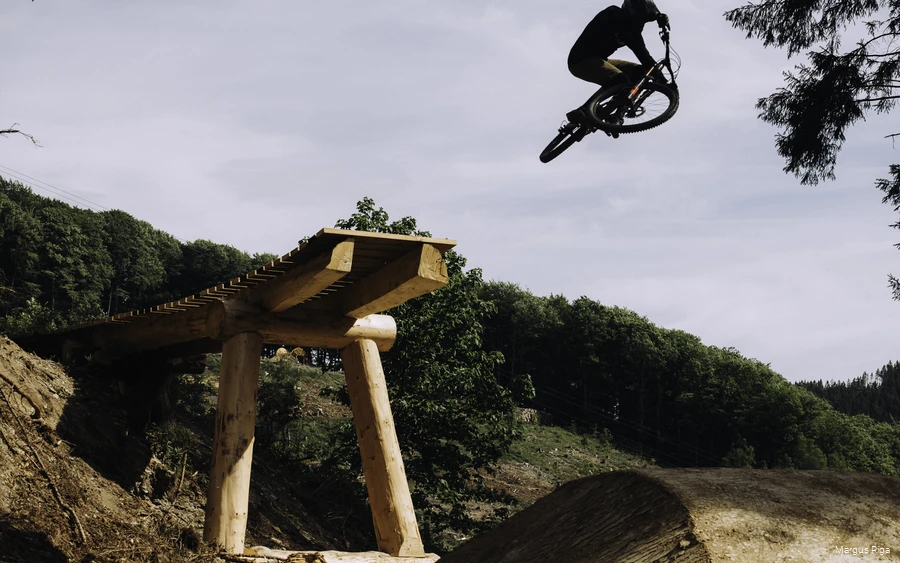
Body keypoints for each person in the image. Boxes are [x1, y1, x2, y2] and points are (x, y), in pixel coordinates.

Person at [567, 0, 670, 92]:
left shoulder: (632, 34)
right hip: (580, 60)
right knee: (621, 80)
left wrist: (666, 83)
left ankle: (617, 107)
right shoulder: (613, 13)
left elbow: (646, 60)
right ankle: (586, 110)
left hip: (600, 59)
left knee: (641, 73)